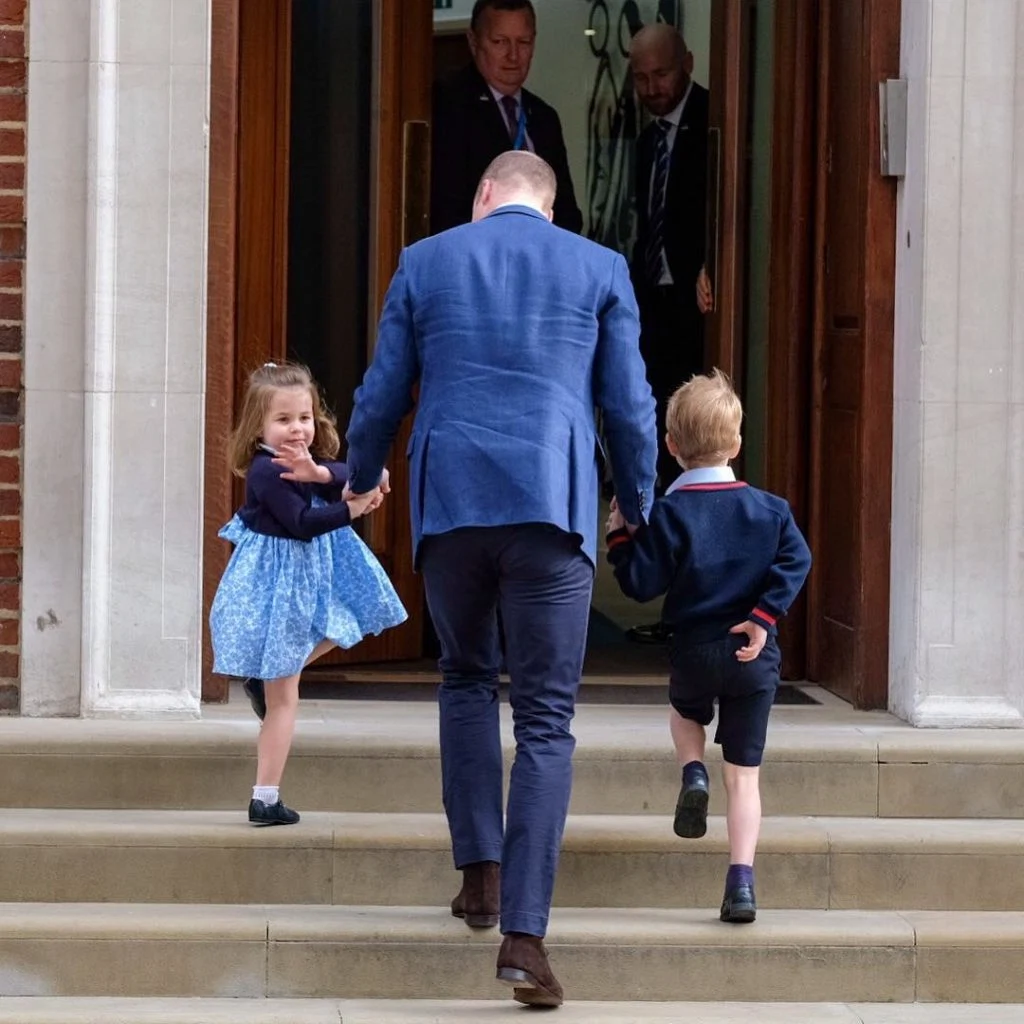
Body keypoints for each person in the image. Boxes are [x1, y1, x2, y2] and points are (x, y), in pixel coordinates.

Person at [345, 151, 656, 1006]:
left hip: (452, 502)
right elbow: (629, 404)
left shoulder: (426, 259)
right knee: (548, 719)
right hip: (551, 505)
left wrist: (357, 475)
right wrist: (637, 503)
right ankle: (524, 938)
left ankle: (479, 877)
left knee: (465, 680)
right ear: (548, 209)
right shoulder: (599, 267)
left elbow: (382, 391)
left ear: (484, 195)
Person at [606, 370, 811, 923]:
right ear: (738, 443)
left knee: (683, 712)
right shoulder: (771, 510)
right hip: (753, 656)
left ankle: (692, 770)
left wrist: (620, 536)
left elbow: (641, 583)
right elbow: (798, 561)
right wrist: (764, 617)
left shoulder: (670, 514)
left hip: (694, 652)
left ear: (671, 447)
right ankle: (740, 882)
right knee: (745, 776)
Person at [210, 362, 407, 826]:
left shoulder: (303, 461)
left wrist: (321, 474)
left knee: (351, 622)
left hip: (307, 582)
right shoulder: (265, 472)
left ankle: (270, 685)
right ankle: (265, 797)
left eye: (304, 417)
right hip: (281, 588)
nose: (296, 428)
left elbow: (355, 471)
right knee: (285, 699)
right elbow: (301, 526)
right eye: (282, 420)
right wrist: (353, 507)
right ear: (257, 426)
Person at [626, 23, 710, 644]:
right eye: (642, 78)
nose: (653, 89)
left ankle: (698, 601)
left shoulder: (714, 118)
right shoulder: (645, 136)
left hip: (699, 309)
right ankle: (668, 594)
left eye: (662, 75)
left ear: (686, 63)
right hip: (651, 305)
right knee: (658, 439)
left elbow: (732, 203)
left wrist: (712, 260)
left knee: (699, 445)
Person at [431, 0, 583, 234]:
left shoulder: (544, 117)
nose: (513, 56)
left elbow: (567, 211)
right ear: (473, 41)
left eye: (523, 42)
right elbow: (445, 207)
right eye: (499, 42)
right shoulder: (445, 104)